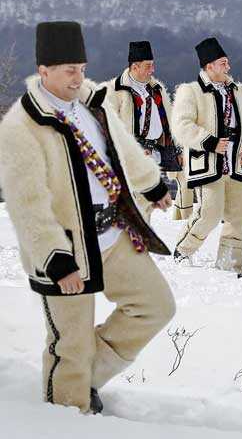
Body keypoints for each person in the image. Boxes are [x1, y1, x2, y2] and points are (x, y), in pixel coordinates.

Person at [0, 21, 175, 414]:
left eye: (81, 66)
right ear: (43, 71)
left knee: (155, 305)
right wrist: (54, 258)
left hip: (111, 235)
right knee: (71, 344)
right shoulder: (20, 127)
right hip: (67, 249)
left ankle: (86, 376)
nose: (78, 77)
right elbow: (28, 204)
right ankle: (67, 415)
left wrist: (151, 184)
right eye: (69, 70)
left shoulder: (92, 102)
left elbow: (121, 150)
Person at [172, 37, 242, 272]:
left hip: (237, 164)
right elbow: (181, 125)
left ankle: (229, 264)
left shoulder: (240, 91)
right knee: (209, 214)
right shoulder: (190, 91)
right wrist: (209, 141)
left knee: (240, 216)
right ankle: (183, 250)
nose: (228, 67)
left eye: (228, 62)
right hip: (208, 162)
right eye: (223, 63)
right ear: (209, 66)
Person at [105, 40, 188, 220]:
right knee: (135, 203)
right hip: (131, 156)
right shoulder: (113, 90)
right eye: (148, 66)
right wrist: (133, 149)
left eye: (153, 65)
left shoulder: (157, 89)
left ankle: (140, 244)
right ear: (135, 66)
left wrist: (178, 149)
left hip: (155, 154)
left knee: (147, 205)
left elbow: (169, 121)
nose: (152, 70)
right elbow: (109, 126)